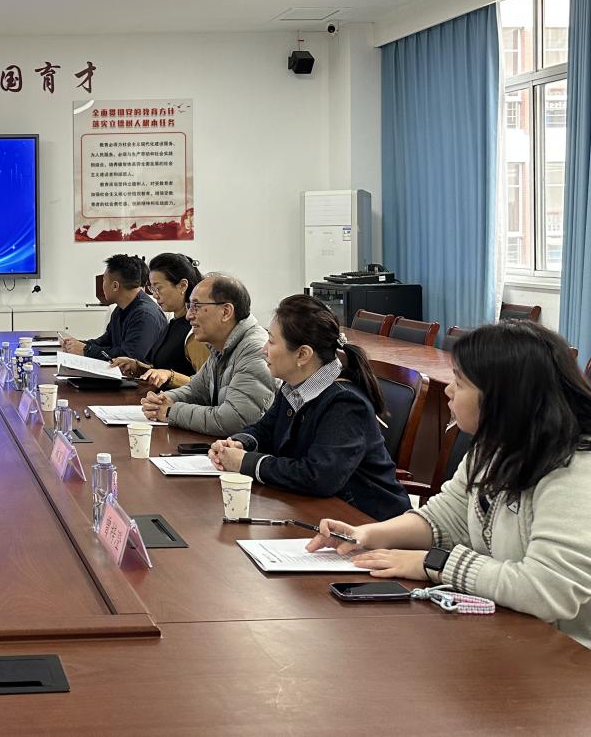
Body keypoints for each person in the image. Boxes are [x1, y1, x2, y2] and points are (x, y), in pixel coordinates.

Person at [308, 322, 591, 648]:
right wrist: (366, 534)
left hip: (570, 653)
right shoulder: (495, 446)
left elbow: (545, 590)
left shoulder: (575, 473)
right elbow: (446, 518)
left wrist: (434, 563)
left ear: (502, 398)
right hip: (515, 632)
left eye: (460, 382)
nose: (448, 391)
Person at [208, 295, 410, 521]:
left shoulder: (345, 404)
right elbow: (265, 430)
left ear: (303, 355)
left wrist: (245, 462)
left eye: (271, 342)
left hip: (368, 521)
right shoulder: (294, 385)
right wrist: (240, 443)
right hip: (321, 511)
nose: (263, 349)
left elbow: (318, 477)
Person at [141, 273, 274, 436]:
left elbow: (236, 420)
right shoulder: (221, 345)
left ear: (226, 312)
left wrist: (171, 411)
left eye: (196, 306)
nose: (189, 316)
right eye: (189, 306)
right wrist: (163, 400)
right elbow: (196, 390)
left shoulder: (255, 349)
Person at [111, 253, 210, 389]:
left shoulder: (195, 331)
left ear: (182, 286)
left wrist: (171, 376)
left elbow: (207, 386)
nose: (155, 295)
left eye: (158, 288)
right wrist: (137, 366)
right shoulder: (174, 323)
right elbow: (161, 368)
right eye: (152, 289)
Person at [61, 254, 166, 362]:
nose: (102, 286)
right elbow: (105, 342)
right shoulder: (120, 309)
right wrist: (76, 344)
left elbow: (128, 357)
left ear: (115, 286)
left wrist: (86, 350)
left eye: (104, 280)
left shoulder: (145, 315)